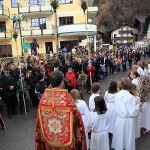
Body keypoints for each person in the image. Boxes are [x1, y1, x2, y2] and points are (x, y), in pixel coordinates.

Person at [35, 70, 87, 150]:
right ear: (61, 82)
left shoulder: (43, 99)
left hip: (49, 142)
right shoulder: (68, 100)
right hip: (67, 145)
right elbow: (78, 123)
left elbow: (39, 125)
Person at [112, 78, 142, 150]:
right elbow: (133, 112)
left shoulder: (116, 95)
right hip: (128, 120)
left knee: (120, 137)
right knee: (128, 139)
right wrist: (138, 105)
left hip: (119, 119)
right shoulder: (130, 97)